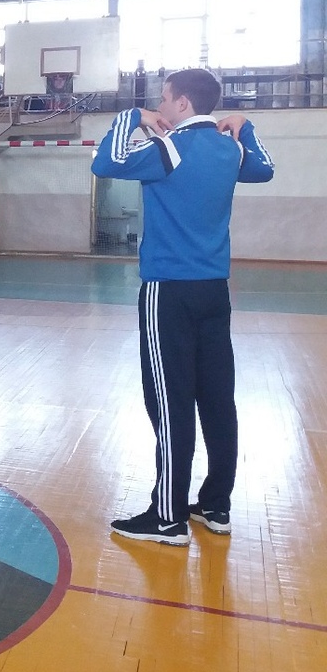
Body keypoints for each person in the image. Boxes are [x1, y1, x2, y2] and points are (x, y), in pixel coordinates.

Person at [92, 68, 274, 545]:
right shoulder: (230, 149)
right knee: (217, 399)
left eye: (163, 98)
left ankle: (168, 516)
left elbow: (105, 162)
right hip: (215, 292)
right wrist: (245, 127)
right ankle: (216, 505)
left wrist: (132, 116)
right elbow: (264, 168)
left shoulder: (169, 149)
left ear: (183, 104)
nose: (159, 105)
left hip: (168, 292)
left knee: (170, 402)